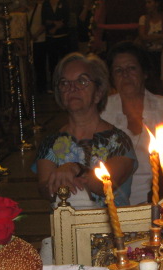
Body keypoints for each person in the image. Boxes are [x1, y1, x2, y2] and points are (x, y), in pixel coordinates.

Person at [35, 52, 136, 209]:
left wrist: (76, 169)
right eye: (64, 83)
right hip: (66, 223)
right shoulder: (50, 142)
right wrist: (56, 184)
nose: (72, 88)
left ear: (98, 92)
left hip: (111, 223)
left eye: (82, 81)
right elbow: (45, 189)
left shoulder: (119, 142)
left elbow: (103, 186)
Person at [101, 41, 163, 205]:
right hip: (111, 202)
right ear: (112, 78)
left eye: (131, 68)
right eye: (118, 70)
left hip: (160, 201)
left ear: (144, 73)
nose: (125, 75)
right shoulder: (101, 111)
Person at [137, 0, 163, 81]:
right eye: (146, 2)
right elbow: (143, 37)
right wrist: (159, 36)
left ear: (157, 3)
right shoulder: (143, 19)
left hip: (162, 54)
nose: (147, 5)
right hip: (147, 53)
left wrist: (150, 37)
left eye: (149, 2)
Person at [42, 0, 70, 93]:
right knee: (52, 63)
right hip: (50, 38)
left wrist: (56, 27)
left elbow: (66, 18)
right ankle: (54, 85)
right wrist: (54, 23)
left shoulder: (64, 1)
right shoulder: (46, 3)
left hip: (63, 36)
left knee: (65, 62)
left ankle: (66, 83)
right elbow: (44, 19)